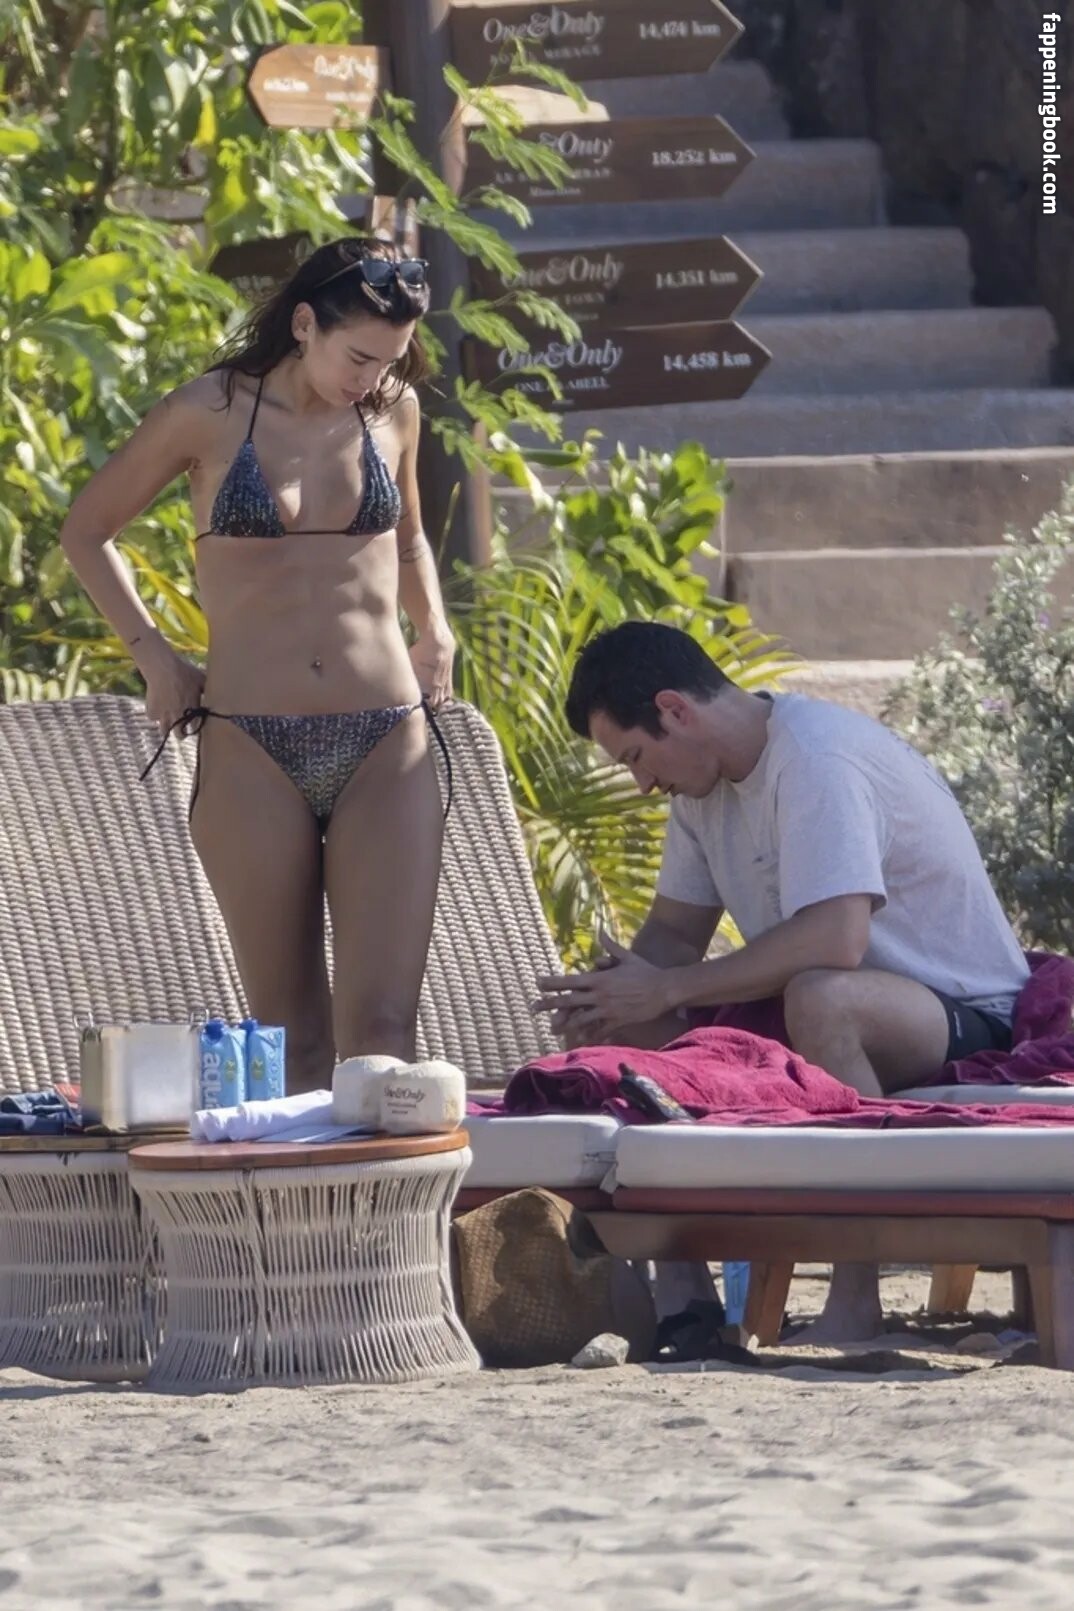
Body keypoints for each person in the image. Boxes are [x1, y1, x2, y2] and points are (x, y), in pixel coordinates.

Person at [534, 621, 1030, 1342]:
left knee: (822, 999)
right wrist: (612, 995)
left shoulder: (816, 758)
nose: (642, 783)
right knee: (624, 1021)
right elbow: (673, 937)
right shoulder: (700, 789)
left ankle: (856, 1295)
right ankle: (685, 1299)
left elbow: (836, 938)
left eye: (636, 756)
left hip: (964, 1013)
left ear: (675, 709)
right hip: (821, 1005)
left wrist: (669, 988)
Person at [60, 237, 456, 1092]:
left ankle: (374, 1188)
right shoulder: (206, 411)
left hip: (386, 740)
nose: (372, 378)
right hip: (251, 746)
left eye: (390, 360)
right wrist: (156, 660)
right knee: (292, 1040)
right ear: (305, 324)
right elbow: (86, 531)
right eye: (359, 357)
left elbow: (410, 538)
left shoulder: (395, 409)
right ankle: (298, 1188)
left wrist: (436, 629)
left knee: (384, 1035)